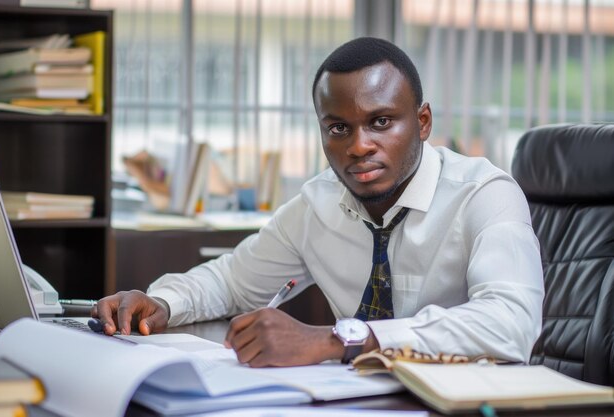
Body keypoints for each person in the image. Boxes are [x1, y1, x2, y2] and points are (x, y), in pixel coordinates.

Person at [94, 37, 544, 367]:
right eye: (338, 128)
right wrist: (161, 302)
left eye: (381, 121)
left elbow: (510, 322)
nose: (359, 146)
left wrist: (340, 339)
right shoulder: (318, 204)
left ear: (422, 122)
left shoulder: (485, 193)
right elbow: (233, 280)